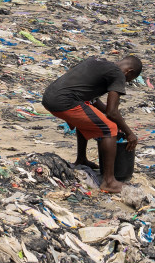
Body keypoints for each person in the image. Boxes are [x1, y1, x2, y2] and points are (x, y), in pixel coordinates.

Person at [42, 55, 142, 193]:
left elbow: (96, 103)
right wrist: (129, 133)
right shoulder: (118, 74)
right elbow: (112, 112)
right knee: (109, 128)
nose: (126, 82)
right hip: (63, 101)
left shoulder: (98, 61)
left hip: (50, 97)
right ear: (129, 72)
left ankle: (81, 159)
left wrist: (117, 122)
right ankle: (109, 181)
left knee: (89, 117)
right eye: (129, 80)